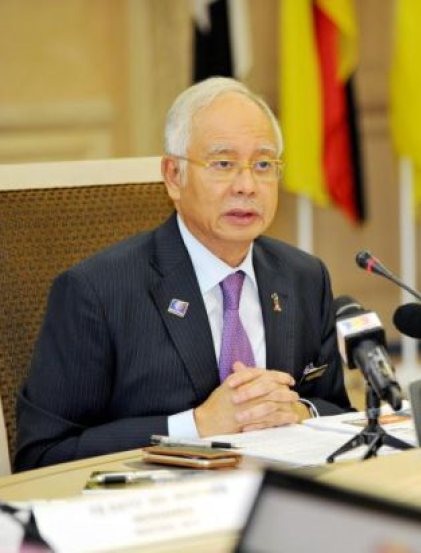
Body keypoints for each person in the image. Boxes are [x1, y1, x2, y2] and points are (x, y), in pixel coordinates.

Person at [15, 78, 351, 471]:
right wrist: (197, 425)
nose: (247, 186)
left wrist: (298, 411)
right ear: (174, 176)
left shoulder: (304, 277)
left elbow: (339, 412)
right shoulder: (96, 292)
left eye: (263, 165)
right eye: (223, 164)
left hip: (280, 493)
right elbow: (42, 455)